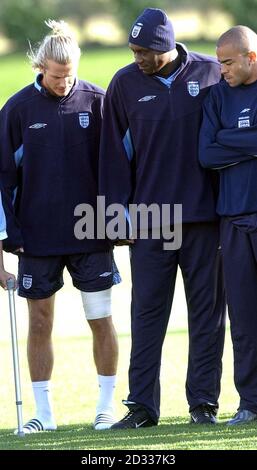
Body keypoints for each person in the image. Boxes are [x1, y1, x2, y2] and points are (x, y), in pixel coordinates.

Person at [99, 7, 226, 429]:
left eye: (144, 51)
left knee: (206, 314)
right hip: (152, 219)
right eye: (133, 49)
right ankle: (142, 409)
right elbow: (112, 154)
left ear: (165, 46)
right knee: (147, 314)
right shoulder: (123, 84)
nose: (137, 57)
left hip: (206, 218)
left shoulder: (210, 72)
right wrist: (115, 214)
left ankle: (204, 405)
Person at [0, 19, 120, 433]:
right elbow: (2, 183)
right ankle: (44, 415)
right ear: (39, 68)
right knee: (39, 323)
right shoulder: (16, 110)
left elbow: (119, 168)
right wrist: (2, 250)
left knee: (100, 317)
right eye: (55, 77)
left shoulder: (98, 101)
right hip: (36, 238)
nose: (64, 84)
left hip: (92, 235)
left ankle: (106, 408)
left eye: (69, 77)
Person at [199, 25, 257, 425]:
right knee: (244, 319)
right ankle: (251, 403)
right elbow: (206, 153)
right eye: (218, 62)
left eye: (228, 62)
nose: (221, 70)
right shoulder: (216, 97)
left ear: (251, 57)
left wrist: (228, 139)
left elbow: (221, 144)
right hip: (233, 221)